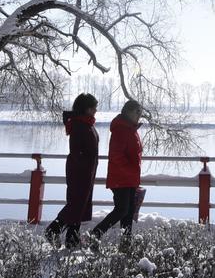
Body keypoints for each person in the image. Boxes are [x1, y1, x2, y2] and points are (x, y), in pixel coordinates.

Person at [44, 93, 100, 248]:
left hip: (85, 171)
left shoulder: (85, 124)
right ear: (86, 109)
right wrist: (85, 165)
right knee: (76, 204)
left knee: (79, 205)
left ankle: (72, 238)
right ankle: (53, 230)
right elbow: (78, 151)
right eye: (93, 107)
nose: (95, 110)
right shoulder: (80, 125)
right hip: (80, 171)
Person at [90, 99, 145, 246]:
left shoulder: (130, 128)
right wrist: (130, 170)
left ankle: (125, 244)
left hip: (129, 178)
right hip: (121, 178)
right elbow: (117, 155)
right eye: (137, 112)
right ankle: (95, 235)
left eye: (141, 112)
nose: (140, 115)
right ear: (128, 111)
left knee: (128, 212)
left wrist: (133, 174)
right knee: (121, 210)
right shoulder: (121, 129)